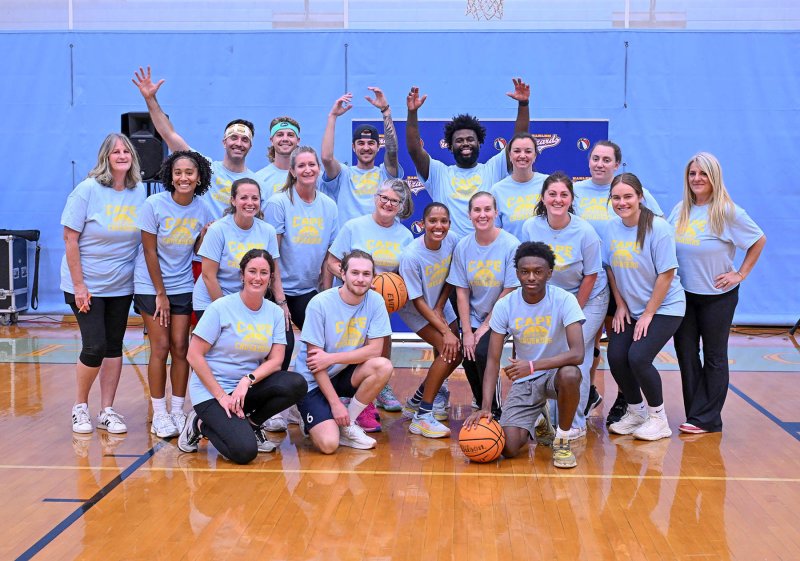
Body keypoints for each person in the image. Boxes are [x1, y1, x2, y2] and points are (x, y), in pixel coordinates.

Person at [179, 249, 307, 464]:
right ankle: (199, 423)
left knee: (295, 384)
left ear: (270, 278)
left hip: (243, 390)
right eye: (252, 271)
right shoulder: (220, 308)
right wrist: (221, 396)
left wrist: (247, 380)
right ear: (242, 275)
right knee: (244, 452)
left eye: (264, 273)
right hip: (212, 392)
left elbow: (276, 360)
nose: (257, 278)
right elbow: (193, 355)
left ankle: (253, 424)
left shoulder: (275, 312)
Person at [464, 242, 585, 468]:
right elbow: (492, 360)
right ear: (517, 273)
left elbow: (578, 354)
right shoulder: (505, 305)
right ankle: (539, 419)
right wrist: (485, 407)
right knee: (507, 448)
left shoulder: (565, 300)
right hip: (526, 382)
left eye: (538, 272)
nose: (531, 277)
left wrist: (532, 365)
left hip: (555, 375)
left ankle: (563, 439)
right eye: (524, 272)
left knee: (571, 374)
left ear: (549, 273)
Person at [668, 152, 766, 434]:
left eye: (703, 174)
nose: (696, 179)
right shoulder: (681, 209)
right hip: (684, 295)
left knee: (714, 356)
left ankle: (707, 418)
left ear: (714, 178)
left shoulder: (728, 211)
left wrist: (740, 273)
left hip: (717, 297)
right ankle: (696, 414)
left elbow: (758, 240)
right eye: (692, 174)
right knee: (686, 353)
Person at [573, 140, 664, 425]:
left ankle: (627, 399)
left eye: (606, 159)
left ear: (616, 164)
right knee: (587, 343)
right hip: (587, 279)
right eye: (595, 158)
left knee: (618, 345)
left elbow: (658, 227)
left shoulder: (636, 193)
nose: (600, 163)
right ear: (589, 161)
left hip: (621, 281)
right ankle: (588, 394)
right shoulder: (576, 192)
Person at [63, 133, 146, 434]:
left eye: (127, 151)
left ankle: (107, 410)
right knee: (95, 345)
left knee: (113, 347)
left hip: (120, 286)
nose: (122, 155)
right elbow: (70, 239)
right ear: (105, 158)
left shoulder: (139, 193)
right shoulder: (87, 190)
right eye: (115, 152)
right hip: (86, 284)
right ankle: (80, 407)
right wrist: (79, 286)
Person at [521, 172, 608, 440]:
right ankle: (537, 412)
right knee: (540, 347)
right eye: (553, 194)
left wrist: (572, 314)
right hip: (551, 299)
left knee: (575, 353)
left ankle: (575, 424)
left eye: (564, 194)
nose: (558, 199)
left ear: (571, 199)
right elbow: (529, 269)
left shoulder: (585, 232)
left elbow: (592, 275)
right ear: (543, 198)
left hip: (588, 297)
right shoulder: (530, 227)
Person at [134, 150, 213, 438]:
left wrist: (205, 236)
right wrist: (160, 293)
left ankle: (178, 410)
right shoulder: (154, 204)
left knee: (181, 348)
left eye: (189, 173)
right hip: (150, 287)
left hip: (182, 286)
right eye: (178, 172)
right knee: (161, 347)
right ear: (170, 175)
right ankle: (159, 413)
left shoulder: (202, 208)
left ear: (199, 177)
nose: (183, 177)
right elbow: (149, 251)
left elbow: (195, 251)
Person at [604, 173, 685, 441]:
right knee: (616, 356)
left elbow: (667, 274)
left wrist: (648, 313)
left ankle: (658, 418)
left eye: (628, 196)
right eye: (616, 197)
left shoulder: (657, 228)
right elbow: (611, 269)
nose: (622, 202)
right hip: (631, 308)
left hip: (664, 307)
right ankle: (636, 411)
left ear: (640, 197)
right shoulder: (612, 228)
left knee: (638, 357)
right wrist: (621, 305)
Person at [326, 179, 414, 427]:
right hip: (351, 300)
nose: (387, 203)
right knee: (352, 346)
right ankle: (346, 394)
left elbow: (403, 272)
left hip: (381, 301)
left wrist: (392, 285)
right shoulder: (354, 227)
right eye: (383, 198)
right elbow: (332, 261)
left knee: (382, 342)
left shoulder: (405, 235)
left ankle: (378, 388)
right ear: (375, 198)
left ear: (401, 206)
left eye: (394, 201)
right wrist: (354, 281)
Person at [294, 250, 395, 453]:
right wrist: (335, 404)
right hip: (313, 380)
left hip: (340, 371)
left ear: (373, 277)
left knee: (383, 366)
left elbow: (375, 350)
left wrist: (331, 358)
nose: (360, 279)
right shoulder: (320, 304)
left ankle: (348, 424)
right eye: (355, 273)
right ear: (343, 273)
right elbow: (316, 365)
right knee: (329, 445)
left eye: (366, 274)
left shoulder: (375, 301)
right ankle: (312, 416)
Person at [405, 78, 532, 239]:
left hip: (488, 250)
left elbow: (518, 141)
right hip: (452, 253)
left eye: (470, 139)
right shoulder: (439, 173)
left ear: (479, 143)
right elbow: (414, 150)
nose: (465, 143)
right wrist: (412, 113)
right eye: (459, 140)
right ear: (450, 146)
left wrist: (523, 105)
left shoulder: (493, 168)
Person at [132, 66, 255, 219]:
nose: (239, 143)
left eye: (245, 140)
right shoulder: (207, 168)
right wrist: (150, 99)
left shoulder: (255, 182)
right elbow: (169, 135)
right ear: (224, 142)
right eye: (234, 138)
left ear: (250, 146)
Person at [447, 191, 520, 416]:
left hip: (506, 313)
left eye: (487, 209)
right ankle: (481, 402)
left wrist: (484, 329)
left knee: (483, 351)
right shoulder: (463, 246)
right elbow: (461, 292)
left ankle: (495, 411)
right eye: (477, 210)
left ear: (496, 213)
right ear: (469, 215)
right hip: (476, 314)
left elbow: (508, 291)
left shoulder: (510, 244)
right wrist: (467, 331)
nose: (482, 214)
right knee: (467, 353)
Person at [398, 203, 462, 438]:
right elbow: (416, 301)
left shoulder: (452, 240)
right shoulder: (411, 256)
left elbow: (452, 276)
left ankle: (417, 399)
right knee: (451, 350)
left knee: (458, 350)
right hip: (416, 309)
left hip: (437, 302)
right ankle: (422, 416)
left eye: (443, 221)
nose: (438, 226)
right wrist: (443, 330)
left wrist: (440, 306)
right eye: (432, 221)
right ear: (422, 224)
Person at [264, 146, 338, 331]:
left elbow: (329, 256)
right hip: (276, 289)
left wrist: (326, 295)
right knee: (284, 347)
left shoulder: (329, 206)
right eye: (301, 165)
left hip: (307, 290)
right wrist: (280, 301)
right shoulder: (278, 203)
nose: (307, 169)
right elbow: (271, 255)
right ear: (292, 171)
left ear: (319, 168)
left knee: (328, 338)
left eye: (312, 164)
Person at [320, 88, 403, 225]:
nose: (366, 148)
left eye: (371, 143)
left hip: (380, 241)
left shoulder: (385, 175)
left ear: (378, 147)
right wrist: (333, 116)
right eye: (361, 143)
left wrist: (385, 111)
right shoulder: (344, 174)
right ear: (353, 147)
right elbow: (326, 158)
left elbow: (392, 151)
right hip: (350, 244)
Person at [489, 132, 549, 239]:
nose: (522, 155)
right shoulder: (497, 190)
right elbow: (494, 232)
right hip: (512, 254)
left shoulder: (548, 183)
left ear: (535, 156)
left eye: (528, 151)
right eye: (517, 151)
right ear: (510, 156)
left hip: (543, 253)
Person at [254, 116, 303, 200]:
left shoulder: (310, 175)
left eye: (290, 135)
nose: (285, 139)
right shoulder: (259, 179)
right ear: (271, 140)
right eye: (280, 135)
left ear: (298, 140)